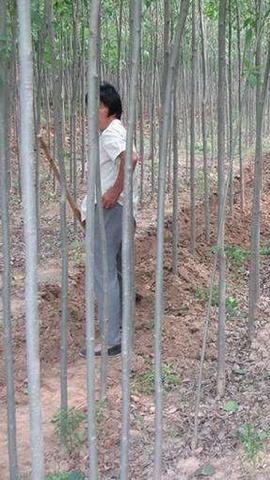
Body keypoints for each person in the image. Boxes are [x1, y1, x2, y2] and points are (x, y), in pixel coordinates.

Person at [80, 82, 140, 358]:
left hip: (110, 211)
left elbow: (131, 159)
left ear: (108, 109)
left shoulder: (111, 133)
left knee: (104, 275)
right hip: (119, 211)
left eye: (97, 107)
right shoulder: (114, 132)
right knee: (115, 272)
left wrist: (113, 192)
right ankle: (120, 330)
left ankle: (112, 340)